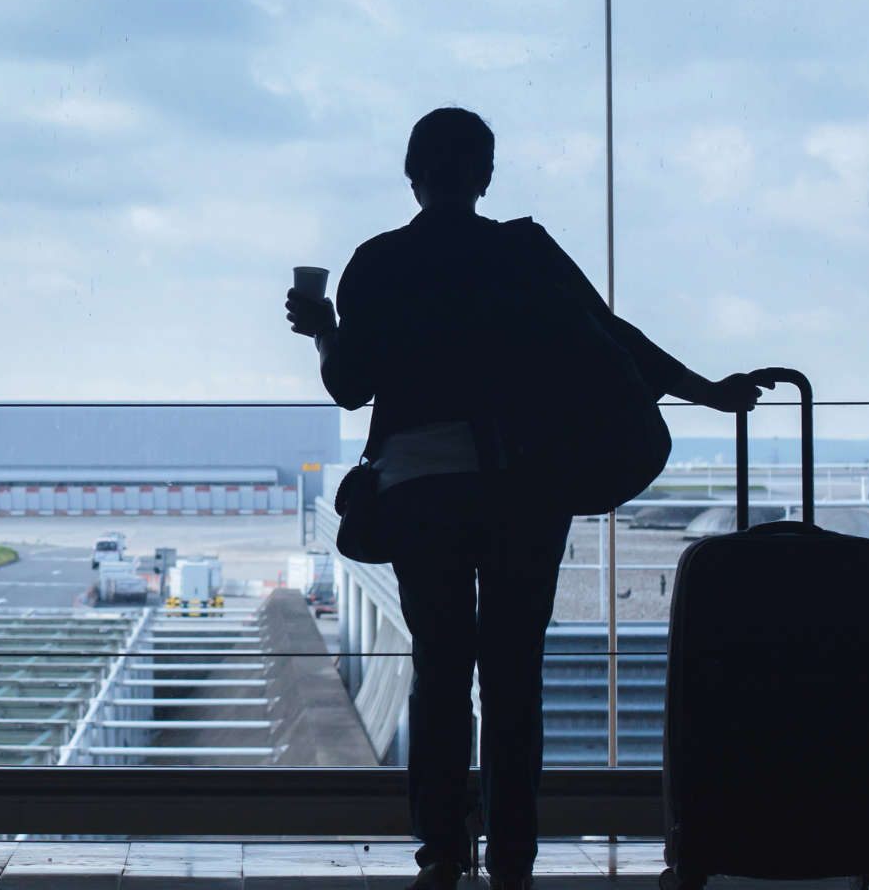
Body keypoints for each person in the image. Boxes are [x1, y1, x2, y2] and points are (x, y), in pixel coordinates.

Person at [284, 107, 761, 890]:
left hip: (421, 490)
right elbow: (613, 340)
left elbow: (348, 386)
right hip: (525, 489)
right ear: (486, 175)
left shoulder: (379, 261)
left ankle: (441, 851)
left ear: (412, 174)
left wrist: (325, 329)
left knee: (441, 670)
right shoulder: (523, 251)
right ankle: (513, 856)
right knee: (514, 676)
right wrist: (707, 391)